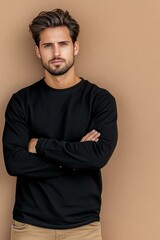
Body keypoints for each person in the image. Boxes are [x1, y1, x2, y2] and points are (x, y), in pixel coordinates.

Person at [2, 8, 118, 240]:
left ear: (75, 47)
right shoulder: (21, 101)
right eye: (47, 46)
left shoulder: (100, 99)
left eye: (63, 44)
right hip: (29, 227)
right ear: (37, 51)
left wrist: (41, 146)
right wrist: (77, 158)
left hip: (83, 228)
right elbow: (14, 163)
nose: (56, 52)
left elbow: (97, 157)